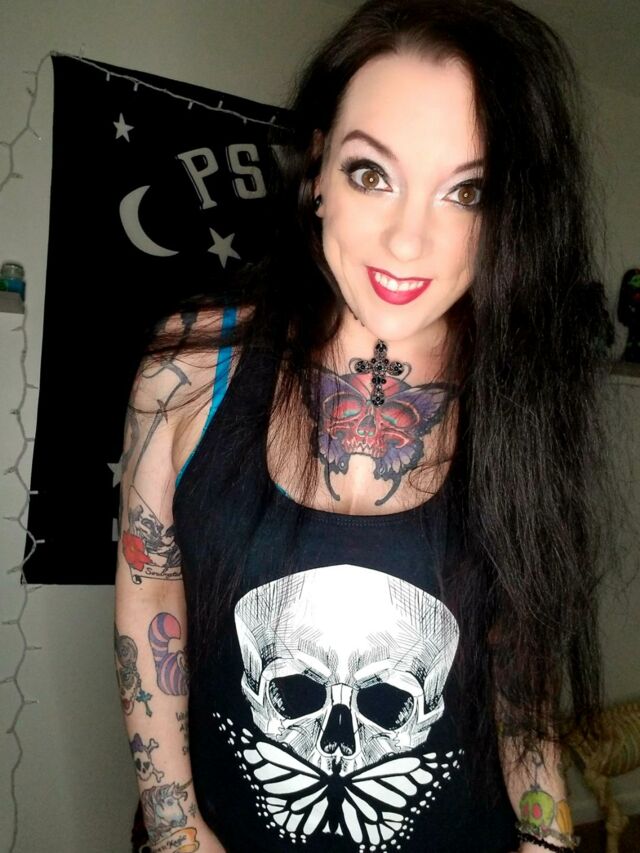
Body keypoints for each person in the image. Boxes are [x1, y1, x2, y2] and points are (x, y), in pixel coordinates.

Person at [115, 1, 611, 851]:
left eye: (466, 191)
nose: (409, 240)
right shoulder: (188, 368)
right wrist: (174, 825)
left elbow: (518, 669)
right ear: (317, 171)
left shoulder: (523, 404)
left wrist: (550, 834)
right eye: (372, 173)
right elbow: (150, 586)